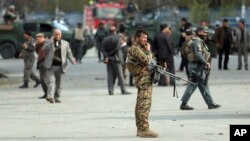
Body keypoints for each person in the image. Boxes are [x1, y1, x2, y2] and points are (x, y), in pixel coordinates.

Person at [127, 29, 159, 138]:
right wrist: (148, 50)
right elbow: (147, 60)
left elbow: (152, 60)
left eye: (146, 37)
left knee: (142, 104)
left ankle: (140, 128)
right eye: (143, 37)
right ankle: (144, 129)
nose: (145, 39)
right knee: (144, 105)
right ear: (136, 37)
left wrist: (147, 51)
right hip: (143, 80)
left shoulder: (140, 48)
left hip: (145, 79)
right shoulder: (135, 49)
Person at [180, 26, 221, 110]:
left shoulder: (200, 41)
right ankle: (183, 104)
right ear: (199, 32)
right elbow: (198, 54)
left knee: (203, 85)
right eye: (204, 32)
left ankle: (210, 104)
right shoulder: (197, 42)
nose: (206, 34)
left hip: (199, 66)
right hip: (196, 67)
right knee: (192, 85)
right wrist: (206, 62)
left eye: (206, 32)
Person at [42, 29, 76, 103]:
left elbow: (69, 53)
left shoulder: (65, 43)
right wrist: (51, 41)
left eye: (59, 34)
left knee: (59, 84)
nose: (57, 36)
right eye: (56, 34)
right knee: (51, 81)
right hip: (50, 66)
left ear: (61, 35)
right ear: (53, 35)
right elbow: (43, 49)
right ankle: (50, 96)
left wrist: (72, 60)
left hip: (61, 66)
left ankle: (56, 96)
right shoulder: (49, 42)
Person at [101, 25, 131, 95]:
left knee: (110, 75)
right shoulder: (117, 39)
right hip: (116, 59)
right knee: (120, 75)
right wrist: (110, 54)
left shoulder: (105, 39)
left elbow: (102, 49)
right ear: (115, 31)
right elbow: (117, 49)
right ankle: (123, 90)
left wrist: (107, 55)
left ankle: (110, 91)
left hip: (108, 60)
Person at [35, 33, 50, 99]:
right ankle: (46, 93)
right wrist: (37, 44)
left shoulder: (47, 43)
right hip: (41, 63)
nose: (37, 41)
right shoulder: (39, 44)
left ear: (42, 38)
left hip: (46, 63)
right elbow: (37, 52)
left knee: (45, 79)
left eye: (38, 39)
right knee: (42, 80)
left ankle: (49, 94)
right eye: (36, 39)